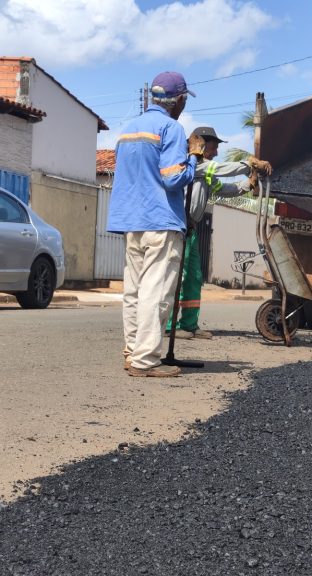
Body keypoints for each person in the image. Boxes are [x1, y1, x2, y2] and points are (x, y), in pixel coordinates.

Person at [107, 71, 203, 377]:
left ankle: (132, 351)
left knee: (134, 291)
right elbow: (172, 177)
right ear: (178, 100)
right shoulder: (171, 128)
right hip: (161, 222)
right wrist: (193, 158)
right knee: (156, 292)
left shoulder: (127, 130)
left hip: (132, 222)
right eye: (185, 98)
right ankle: (146, 360)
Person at [167, 126, 272, 339]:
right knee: (178, 277)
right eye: (214, 148)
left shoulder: (206, 172)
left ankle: (189, 325)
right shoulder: (193, 164)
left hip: (192, 230)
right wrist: (249, 164)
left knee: (194, 278)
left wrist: (247, 183)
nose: (216, 152)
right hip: (180, 227)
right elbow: (221, 169)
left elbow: (224, 189)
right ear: (201, 145)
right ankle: (169, 325)